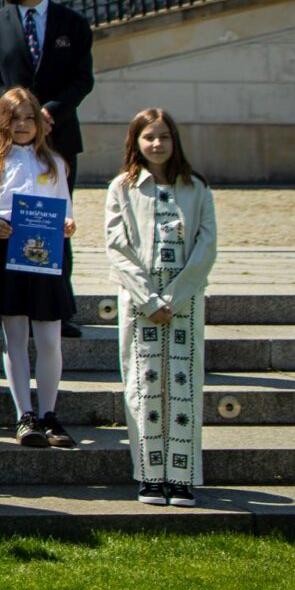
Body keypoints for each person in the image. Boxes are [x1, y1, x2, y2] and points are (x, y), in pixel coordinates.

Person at [0, 0, 97, 337]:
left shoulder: (73, 24)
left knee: (55, 223)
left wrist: (49, 113)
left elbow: (83, 78)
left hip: (57, 140)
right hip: (6, 143)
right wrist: (16, 112)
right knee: (2, 219)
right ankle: (1, 302)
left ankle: (58, 307)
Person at [106, 107, 216, 506]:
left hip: (184, 301)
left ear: (175, 140)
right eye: (149, 137)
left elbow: (206, 244)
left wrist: (176, 297)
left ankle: (182, 476)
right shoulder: (123, 187)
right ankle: (150, 474)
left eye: (164, 136)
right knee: (144, 385)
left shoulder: (196, 187)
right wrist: (149, 298)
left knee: (183, 386)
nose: (157, 144)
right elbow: (117, 246)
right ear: (136, 142)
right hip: (141, 303)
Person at [0, 87, 78, 450]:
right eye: (14, 118)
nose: (22, 125)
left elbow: (65, 207)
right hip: (5, 250)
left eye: (29, 118)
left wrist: (68, 224)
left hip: (46, 253)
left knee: (49, 338)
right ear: (2, 122)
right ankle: (25, 414)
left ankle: (49, 412)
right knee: (15, 336)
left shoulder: (55, 163)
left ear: (40, 123)